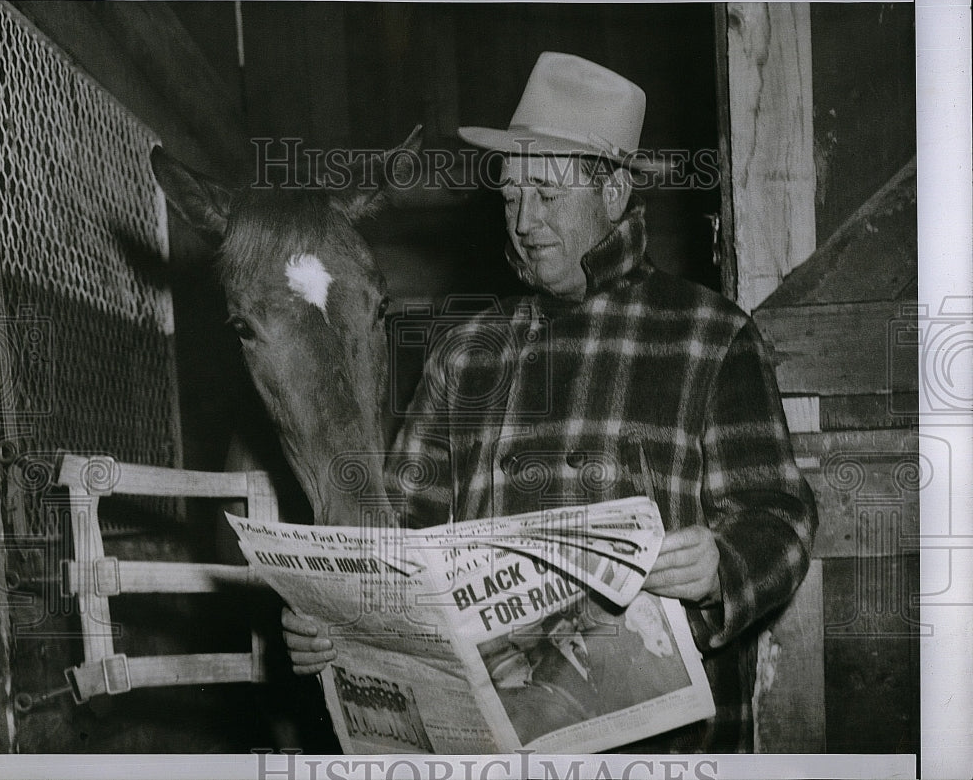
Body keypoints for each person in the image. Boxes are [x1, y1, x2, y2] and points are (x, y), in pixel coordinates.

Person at [282, 51, 817, 751]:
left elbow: (779, 515)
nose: (523, 220)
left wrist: (722, 567)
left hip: (664, 750)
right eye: (510, 196)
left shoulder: (711, 337)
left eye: (547, 193)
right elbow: (398, 540)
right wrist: (341, 621)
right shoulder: (466, 352)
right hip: (495, 744)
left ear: (616, 193)